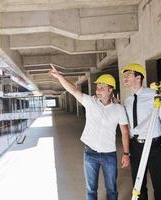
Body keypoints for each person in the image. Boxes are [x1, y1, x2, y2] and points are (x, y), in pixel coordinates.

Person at [49, 65, 130, 200]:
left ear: (110, 90)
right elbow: (73, 90)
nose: (98, 90)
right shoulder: (91, 102)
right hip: (90, 153)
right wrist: (59, 77)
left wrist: (126, 153)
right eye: (97, 87)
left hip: (109, 154)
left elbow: (125, 132)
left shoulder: (119, 109)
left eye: (102, 88)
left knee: (112, 190)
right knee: (91, 190)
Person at [121, 63, 161, 200]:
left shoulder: (154, 95)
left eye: (128, 75)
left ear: (139, 77)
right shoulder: (128, 100)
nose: (125, 78)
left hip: (155, 146)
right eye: (124, 76)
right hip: (135, 146)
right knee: (138, 184)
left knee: (160, 185)